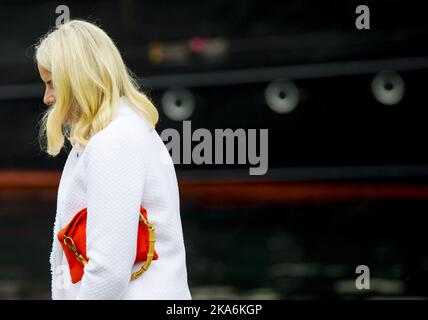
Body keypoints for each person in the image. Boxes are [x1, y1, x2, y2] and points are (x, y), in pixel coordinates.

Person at [35, 19, 191, 300]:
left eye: (51, 84)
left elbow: (108, 272)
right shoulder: (122, 130)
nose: (47, 97)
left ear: (77, 79)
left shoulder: (113, 141)